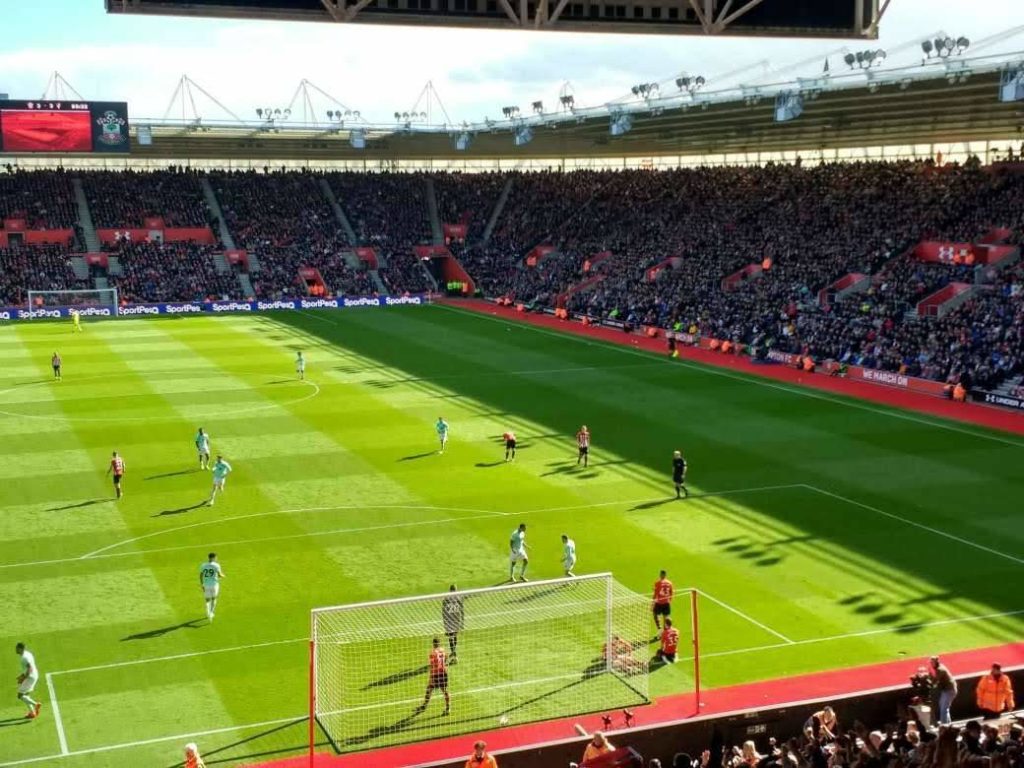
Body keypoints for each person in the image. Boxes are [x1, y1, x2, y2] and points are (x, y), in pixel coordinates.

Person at [415, 637, 450, 716]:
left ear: (433, 644)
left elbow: (433, 665)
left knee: (429, 689)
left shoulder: (432, 653)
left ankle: (424, 706)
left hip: (436, 673)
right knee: (444, 690)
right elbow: (446, 657)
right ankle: (448, 708)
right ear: (439, 643)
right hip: (444, 672)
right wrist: (444, 665)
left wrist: (431, 676)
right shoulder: (443, 650)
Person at [15, 642, 41, 720]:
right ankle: (32, 713)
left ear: (21, 649)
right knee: (26, 695)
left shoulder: (24, 658)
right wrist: (22, 676)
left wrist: (23, 678)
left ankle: (36, 704)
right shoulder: (27, 654)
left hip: (30, 677)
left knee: (20, 695)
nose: (15, 650)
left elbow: (30, 669)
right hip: (34, 675)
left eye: (17, 648)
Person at [930, 655, 958, 725]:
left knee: (943, 708)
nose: (931, 663)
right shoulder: (939, 667)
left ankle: (944, 725)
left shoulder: (940, 669)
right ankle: (948, 724)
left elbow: (935, 681)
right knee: (944, 707)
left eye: (932, 662)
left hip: (949, 690)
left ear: (936, 662)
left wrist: (929, 676)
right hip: (947, 690)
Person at [199, 552, 224, 622]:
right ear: (213, 558)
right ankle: (211, 613)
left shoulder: (203, 565)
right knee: (214, 599)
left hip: (206, 585)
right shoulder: (216, 565)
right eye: (216, 557)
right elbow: (219, 575)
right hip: (214, 585)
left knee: (207, 600)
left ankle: (208, 612)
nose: (216, 559)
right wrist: (223, 576)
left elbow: (201, 575)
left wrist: (202, 584)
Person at [442, 584, 464, 662]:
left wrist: (445, 622)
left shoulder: (446, 599)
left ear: (450, 590)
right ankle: (453, 653)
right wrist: (462, 622)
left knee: (451, 637)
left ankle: (453, 653)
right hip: (456, 620)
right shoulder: (459, 598)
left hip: (449, 620)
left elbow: (443, 611)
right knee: (454, 636)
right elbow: (462, 610)